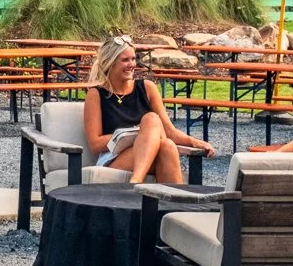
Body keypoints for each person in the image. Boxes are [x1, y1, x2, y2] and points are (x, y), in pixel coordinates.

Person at [84, 34, 212, 185]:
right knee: (152, 123)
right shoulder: (96, 94)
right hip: (114, 157)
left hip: (151, 152)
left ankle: (148, 190)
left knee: (165, 143)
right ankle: (168, 197)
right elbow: (94, 144)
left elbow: (168, 131)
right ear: (110, 63)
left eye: (133, 59)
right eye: (125, 60)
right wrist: (138, 134)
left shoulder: (147, 88)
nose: (131, 64)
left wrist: (193, 141)